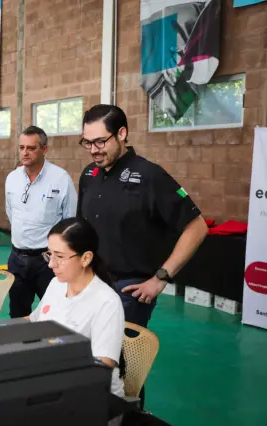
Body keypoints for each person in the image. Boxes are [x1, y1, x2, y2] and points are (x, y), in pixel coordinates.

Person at [77, 104, 208, 327]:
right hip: (91, 282)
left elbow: (197, 227)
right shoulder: (90, 174)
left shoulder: (150, 176)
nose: (93, 150)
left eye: (100, 141)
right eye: (87, 143)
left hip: (129, 291)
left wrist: (160, 279)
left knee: (119, 359)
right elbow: (82, 228)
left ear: (121, 134)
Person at [27, 218, 125, 400]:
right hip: (50, 382)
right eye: (49, 254)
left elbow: (102, 366)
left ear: (86, 258)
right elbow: (33, 321)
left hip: (92, 397)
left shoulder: (106, 302)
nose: (51, 264)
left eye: (60, 257)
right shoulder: (57, 284)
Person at [5, 125, 78, 318]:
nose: (25, 153)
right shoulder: (12, 178)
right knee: (18, 314)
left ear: (44, 149)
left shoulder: (60, 179)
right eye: (21, 148)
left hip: (48, 261)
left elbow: (70, 221)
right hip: (17, 259)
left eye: (31, 148)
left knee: (55, 314)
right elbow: (11, 212)